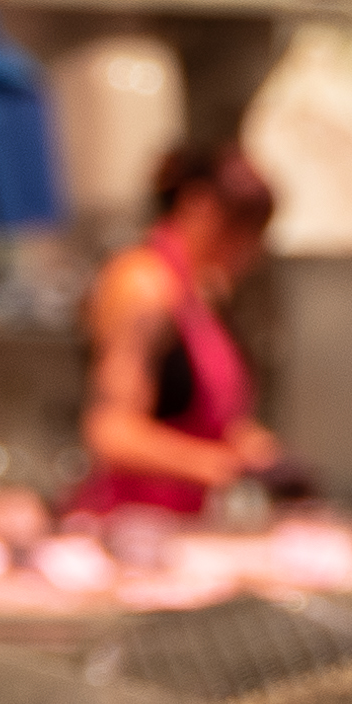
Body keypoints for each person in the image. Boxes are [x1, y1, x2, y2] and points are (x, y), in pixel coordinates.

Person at [71, 143, 280, 516]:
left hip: (180, 522)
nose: (249, 249)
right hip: (128, 523)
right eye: (240, 226)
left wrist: (243, 442)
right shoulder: (142, 285)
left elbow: (188, 411)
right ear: (197, 204)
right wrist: (213, 464)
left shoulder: (201, 292)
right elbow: (111, 431)